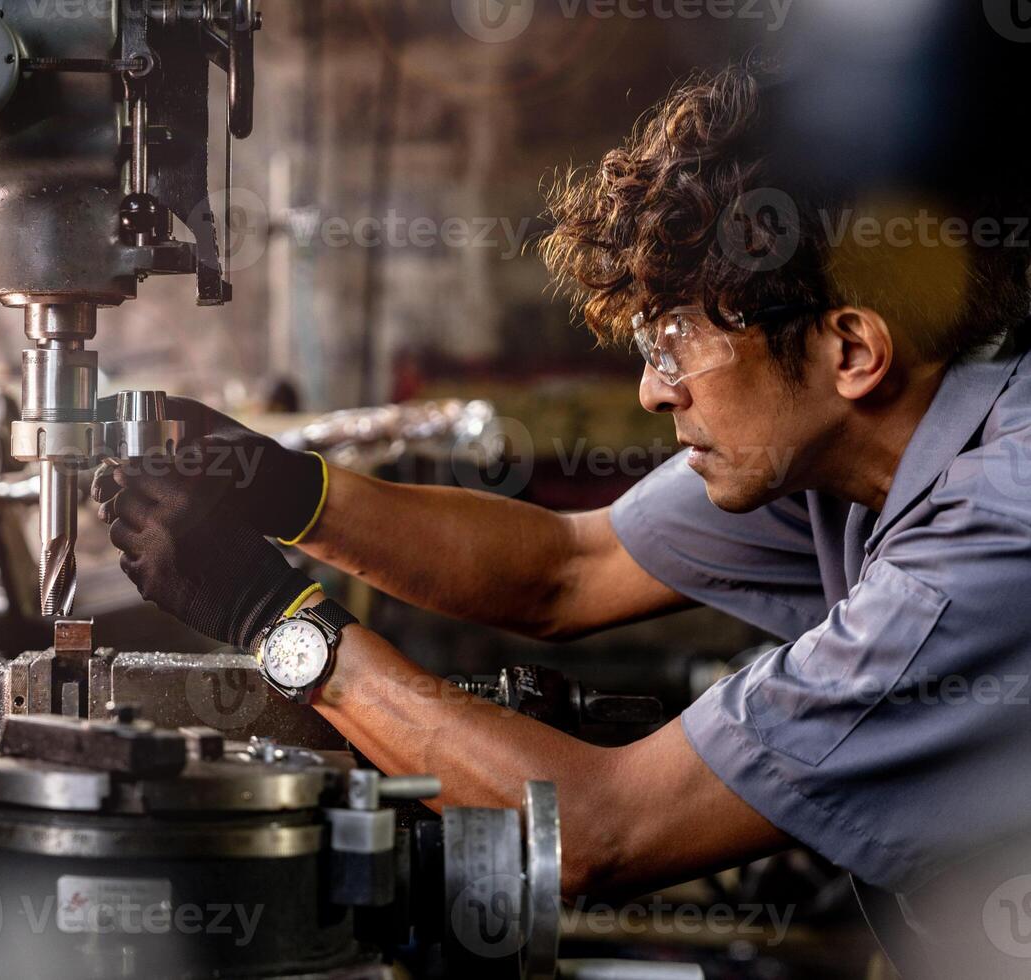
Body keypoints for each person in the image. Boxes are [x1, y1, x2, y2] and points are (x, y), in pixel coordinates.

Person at [92, 66, 1031, 977]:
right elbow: (565, 567)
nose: (651, 390)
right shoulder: (845, 450)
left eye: (674, 343)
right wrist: (278, 486)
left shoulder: (989, 535)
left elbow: (595, 830)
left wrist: (273, 620)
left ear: (852, 348)